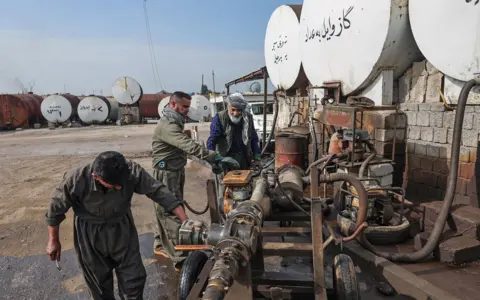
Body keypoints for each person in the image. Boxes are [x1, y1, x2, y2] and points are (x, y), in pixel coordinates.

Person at [45, 151, 188, 300]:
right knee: (99, 284)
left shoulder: (130, 170)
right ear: (96, 177)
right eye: (114, 186)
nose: (119, 188)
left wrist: (184, 220)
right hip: (90, 235)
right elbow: (55, 208)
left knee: (134, 278)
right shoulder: (76, 178)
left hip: (122, 229)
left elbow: (158, 190)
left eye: (121, 184)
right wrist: (53, 240)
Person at [151, 91, 239, 268]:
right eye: (184, 107)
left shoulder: (175, 121)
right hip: (166, 173)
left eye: (188, 107)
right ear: (173, 105)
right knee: (170, 211)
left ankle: (160, 243)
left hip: (174, 171)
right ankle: (180, 257)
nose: (186, 110)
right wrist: (215, 157)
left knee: (170, 207)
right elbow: (189, 145)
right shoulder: (168, 126)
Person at [206, 92, 262, 213]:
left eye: (239, 110)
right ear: (227, 107)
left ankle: (243, 213)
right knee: (226, 191)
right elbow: (212, 140)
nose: (236, 113)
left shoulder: (248, 117)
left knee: (244, 188)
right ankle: (226, 217)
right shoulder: (220, 118)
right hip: (225, 160)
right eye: (233, 110)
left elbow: (253, 138)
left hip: (243, 159)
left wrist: (257, 157)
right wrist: (213, 160)